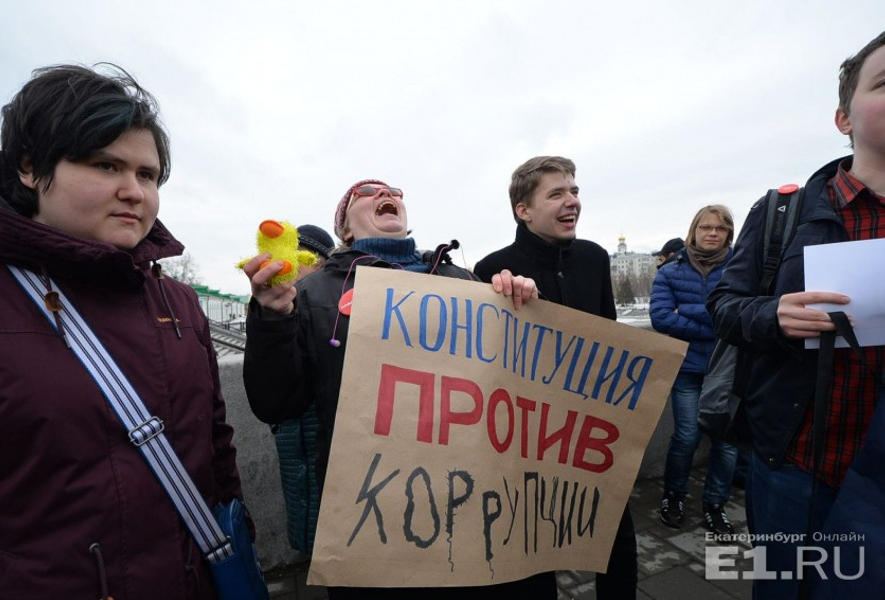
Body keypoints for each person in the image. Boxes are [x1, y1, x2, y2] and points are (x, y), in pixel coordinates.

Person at [0, 65, 247, 599]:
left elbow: (217, 452)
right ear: (31, 168)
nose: (134, 192)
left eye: (147, 175)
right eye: (106, 165)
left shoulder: (178, 303)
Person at [241, 179, 546, 599]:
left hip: (465, 505)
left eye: (395, 191)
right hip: (368, 515)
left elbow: (512, 384)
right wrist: (271, 319)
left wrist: (520, 304)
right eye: (367, 191)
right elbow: (276, 403)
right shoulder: (310, 294)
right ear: (345, 228)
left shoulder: (466, 281)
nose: (387, 194)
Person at [707, 30, 885, 599]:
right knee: (784, 589)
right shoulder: (785, 212)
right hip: (798, 465)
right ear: (844, 118)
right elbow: (724, 305)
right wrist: (774, 317)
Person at [473, 156, 638, 600]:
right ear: (522, 210)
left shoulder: (595, 257)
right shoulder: (492, 270)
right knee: (528, 540)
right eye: (557, 193)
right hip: (528, 434)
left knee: (613, 534)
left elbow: (609, 333)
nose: (572, 202)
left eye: (575, 191)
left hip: (593, 428)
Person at [649, 205, 738, 535]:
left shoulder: (740, 268)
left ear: (729, 233)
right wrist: (716, 323)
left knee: (726, 443)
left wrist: (685, 309)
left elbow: (740, 314)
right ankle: (674, 496)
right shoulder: (671, 271)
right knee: (686, 437)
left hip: (728, 369)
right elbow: (660, 318)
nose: (713, 233)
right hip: (687, 367)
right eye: (706, 227)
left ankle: (715, 504)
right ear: (694, 230)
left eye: (721, 228)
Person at [271, 223, 334, 558]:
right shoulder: (276, 311)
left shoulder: (331, 309)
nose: (288, 265)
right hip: (295, 447)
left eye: (300, 258)